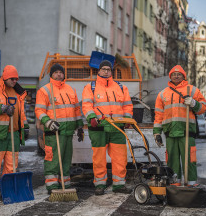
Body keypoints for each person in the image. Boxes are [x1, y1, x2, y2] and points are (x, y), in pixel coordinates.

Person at [82, 60, 133, 195]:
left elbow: (127, 105)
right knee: (99, 158)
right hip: (98, 128)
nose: (106, 71)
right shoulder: (90, 87)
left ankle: (119, 184)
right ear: (98, 71)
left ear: (111, 72)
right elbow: (86, 105)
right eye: (103, 69)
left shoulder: (121, 87)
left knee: (120, 157)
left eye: (108, 69)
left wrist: (127, 119)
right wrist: (91, 117)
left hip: (117, 128)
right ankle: (100, 184)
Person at [153, 65, 206, 186]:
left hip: (187, 131)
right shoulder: (162, 94)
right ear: (170, 76)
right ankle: (174, 183)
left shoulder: (192, 90)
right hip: (170, 132)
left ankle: (191, 183)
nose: (176, 76)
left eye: (179, 74)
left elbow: (203, 108)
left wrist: (194, 103)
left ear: (183, 76)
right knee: (172, 159)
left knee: (190, 159)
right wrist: (157, 132)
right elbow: (158, 115)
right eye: (174, 74)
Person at [35, 63, 84, 195]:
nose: (58, 74)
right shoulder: (45, 90)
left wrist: (79, 126)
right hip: (54, 132)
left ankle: (65, 183)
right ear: (51, 74)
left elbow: (76, 109)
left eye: (61, 72)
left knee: (66, 159)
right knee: (53, 159)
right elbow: (39, 110)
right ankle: (52, 185)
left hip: (68, 132)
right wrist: (48, 121)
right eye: (56, 72)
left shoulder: (70, 89)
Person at [0, 65, 29, 201]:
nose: (15, 81)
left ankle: (6, 190)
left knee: (11, 165)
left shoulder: (18, 92)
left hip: (14, 134)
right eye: (12, 79)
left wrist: (25, 127)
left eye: (16, 79)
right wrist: (1, 108)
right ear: (5, 77)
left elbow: (21, 113)